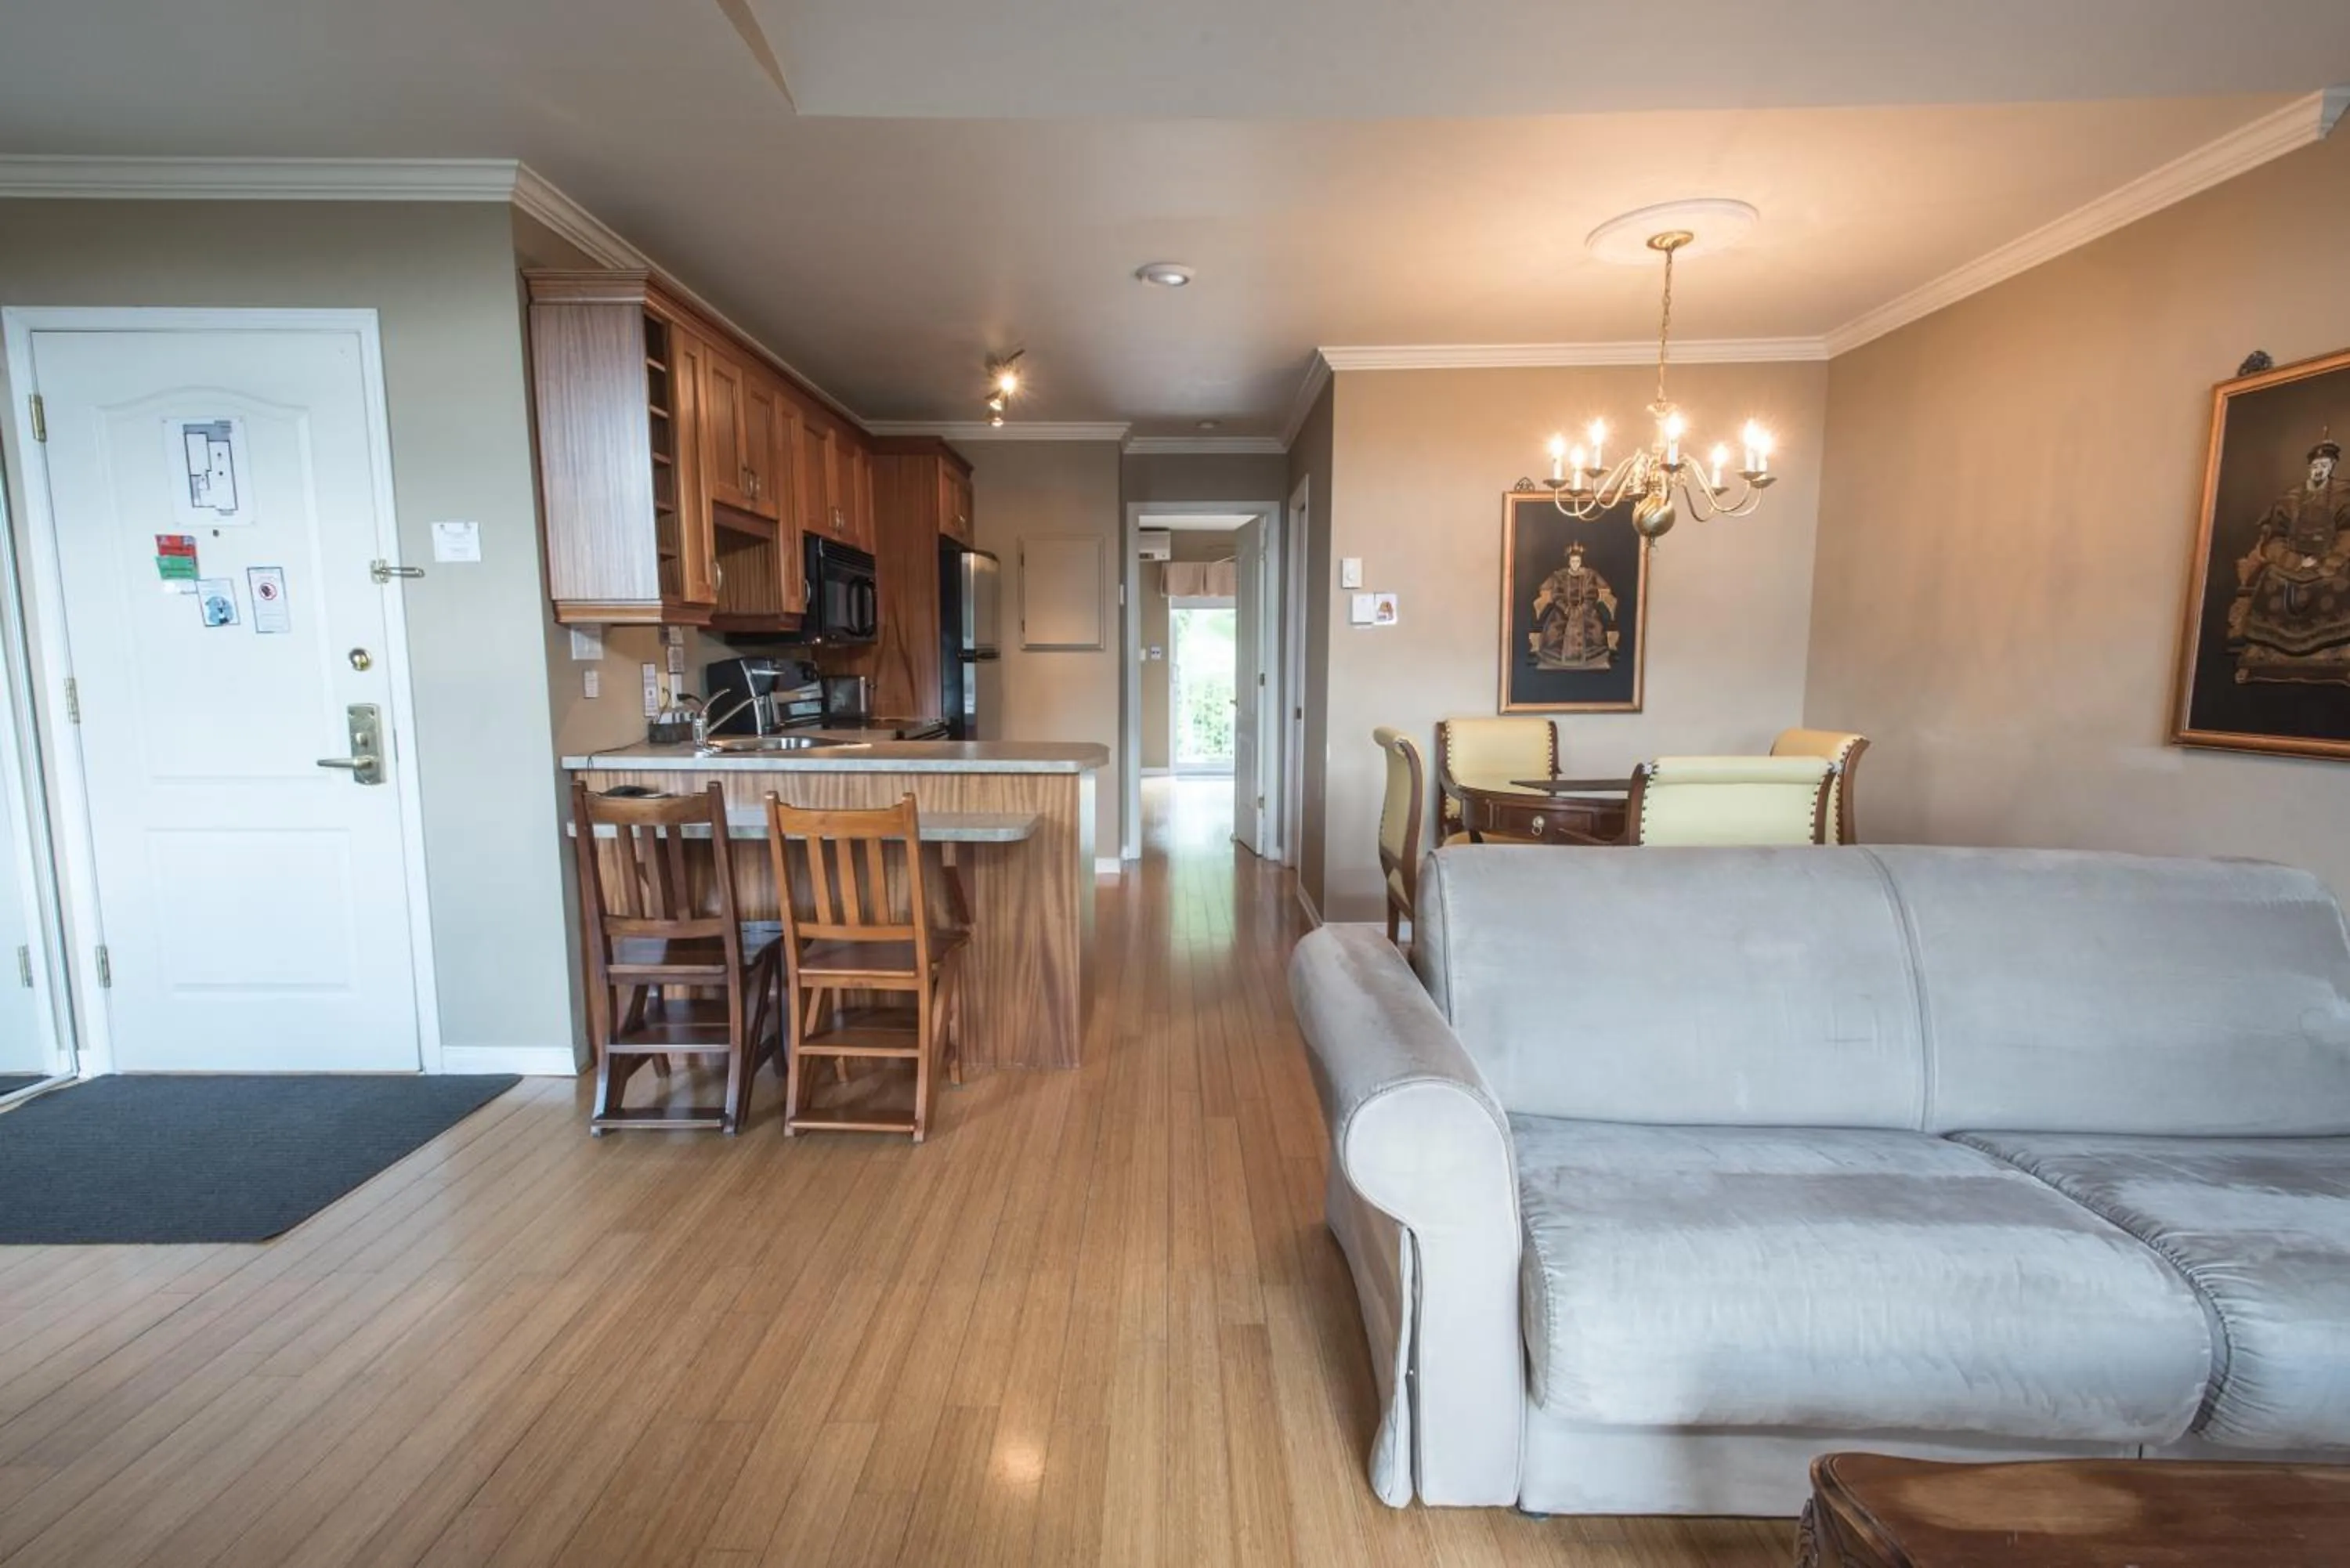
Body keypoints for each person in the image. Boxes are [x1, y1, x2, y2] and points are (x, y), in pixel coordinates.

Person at [2229, 438, 2350, 683]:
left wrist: (2325, 561)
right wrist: (2295, 561)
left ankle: (2335, 650)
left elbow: (2347, 535)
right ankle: (2265, 650)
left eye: (2325, 465)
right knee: (2271, 580)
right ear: (2310, 467)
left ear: (2332, 467)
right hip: (2293, 560)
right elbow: (2274, 538)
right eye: (2316, 465)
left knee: (2336, 585)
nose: (2319, 470)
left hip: (2329, 561)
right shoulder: (2291, 498)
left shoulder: (2344, 496)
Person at [1529, 541, 1618, 671]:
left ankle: (1591, 656)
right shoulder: (1560, 576)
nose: (1575, 564)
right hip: (1563, 611)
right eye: (1573, 561)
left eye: (1577, 561)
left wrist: (1582, 609)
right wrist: (1566, 608)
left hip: (1586, 612)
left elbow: (1591, 594)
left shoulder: (1589, 575)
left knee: (1595, 630)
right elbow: (1557, 595)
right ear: (1569, 562)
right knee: (1554, 630)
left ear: (1581, 561)